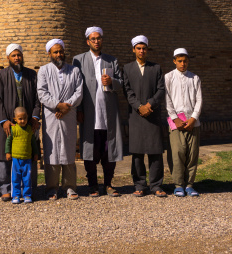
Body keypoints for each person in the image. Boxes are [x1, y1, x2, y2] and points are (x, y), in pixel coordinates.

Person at [73, 26, 123, 197]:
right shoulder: (78, 60)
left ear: (102, 40)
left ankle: (108, 184)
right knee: (90, 152)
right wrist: (79, 109)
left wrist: (112, 81)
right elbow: (76, 86)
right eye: (93, 39)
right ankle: (93, 185)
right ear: (88, 41)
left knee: (109, 151)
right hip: (88, 113)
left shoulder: (112, 60)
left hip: (107, 113)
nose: (96, 41)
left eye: (99, 38)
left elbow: (121, 83)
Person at [37, 39, 83, 200]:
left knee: (69, 150)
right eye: (55, 52)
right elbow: (42, 93)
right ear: (49, 54)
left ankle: (70, 187)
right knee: (52, 151)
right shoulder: (43, 71)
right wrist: (57, 105)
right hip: (51, 115)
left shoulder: (74, 71)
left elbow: (79, 91)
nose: (59, 54)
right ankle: (52, 188)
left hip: (69, 115)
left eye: (61, 51)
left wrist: (66, 106)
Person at [0, 43, 41, 201]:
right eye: (13, 55)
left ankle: (28, 189)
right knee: (4, 154)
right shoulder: (1, 75)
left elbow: (37, 99)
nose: (17, 58)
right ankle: (6, 188)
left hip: (28, 124)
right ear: (8, 58)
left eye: (19, 55)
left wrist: (34, 117)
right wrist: (3, 120)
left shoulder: (31, 75)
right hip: (8, 123)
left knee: (29, 154)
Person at [123, 35, 167, 198]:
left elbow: (161, 89)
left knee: (155, 151)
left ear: (147, 50)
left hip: (153, 115)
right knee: (137, 152)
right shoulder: (127, 68)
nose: (142, 51)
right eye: (139, 48)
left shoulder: (156, 68)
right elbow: (127, 91)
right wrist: (139, 107)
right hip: (136, 116)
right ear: (134, 49)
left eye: (144, 48)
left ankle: (156, 185)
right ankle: (140, 185)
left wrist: (149, 105)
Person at [165, 48, 203, 197]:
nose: (182, 64)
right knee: (178, 153)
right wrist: (174, 118)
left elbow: (199, 100)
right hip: (176, 123)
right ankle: (178, 184)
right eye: (179, 61)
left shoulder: (194, 78)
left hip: (193, 122)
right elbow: (167, 99)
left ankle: (189, 185)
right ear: (174, 61)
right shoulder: (168, 77)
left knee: (192, 154)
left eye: (185, 61)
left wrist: (193, 118)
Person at [5, 107, 39, 204]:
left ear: (27, 118)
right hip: (16, 159)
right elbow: (8, 142)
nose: (23, 120)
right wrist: (8, 152)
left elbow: (33, 143)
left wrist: (36, 153)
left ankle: (27, 195)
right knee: (15, 178)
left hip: (27, 159)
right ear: (15, 119)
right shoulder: (13, 129)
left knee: (27, 178)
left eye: (24, 118)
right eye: (20, 119)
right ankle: (16, 195)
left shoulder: (29, 130)